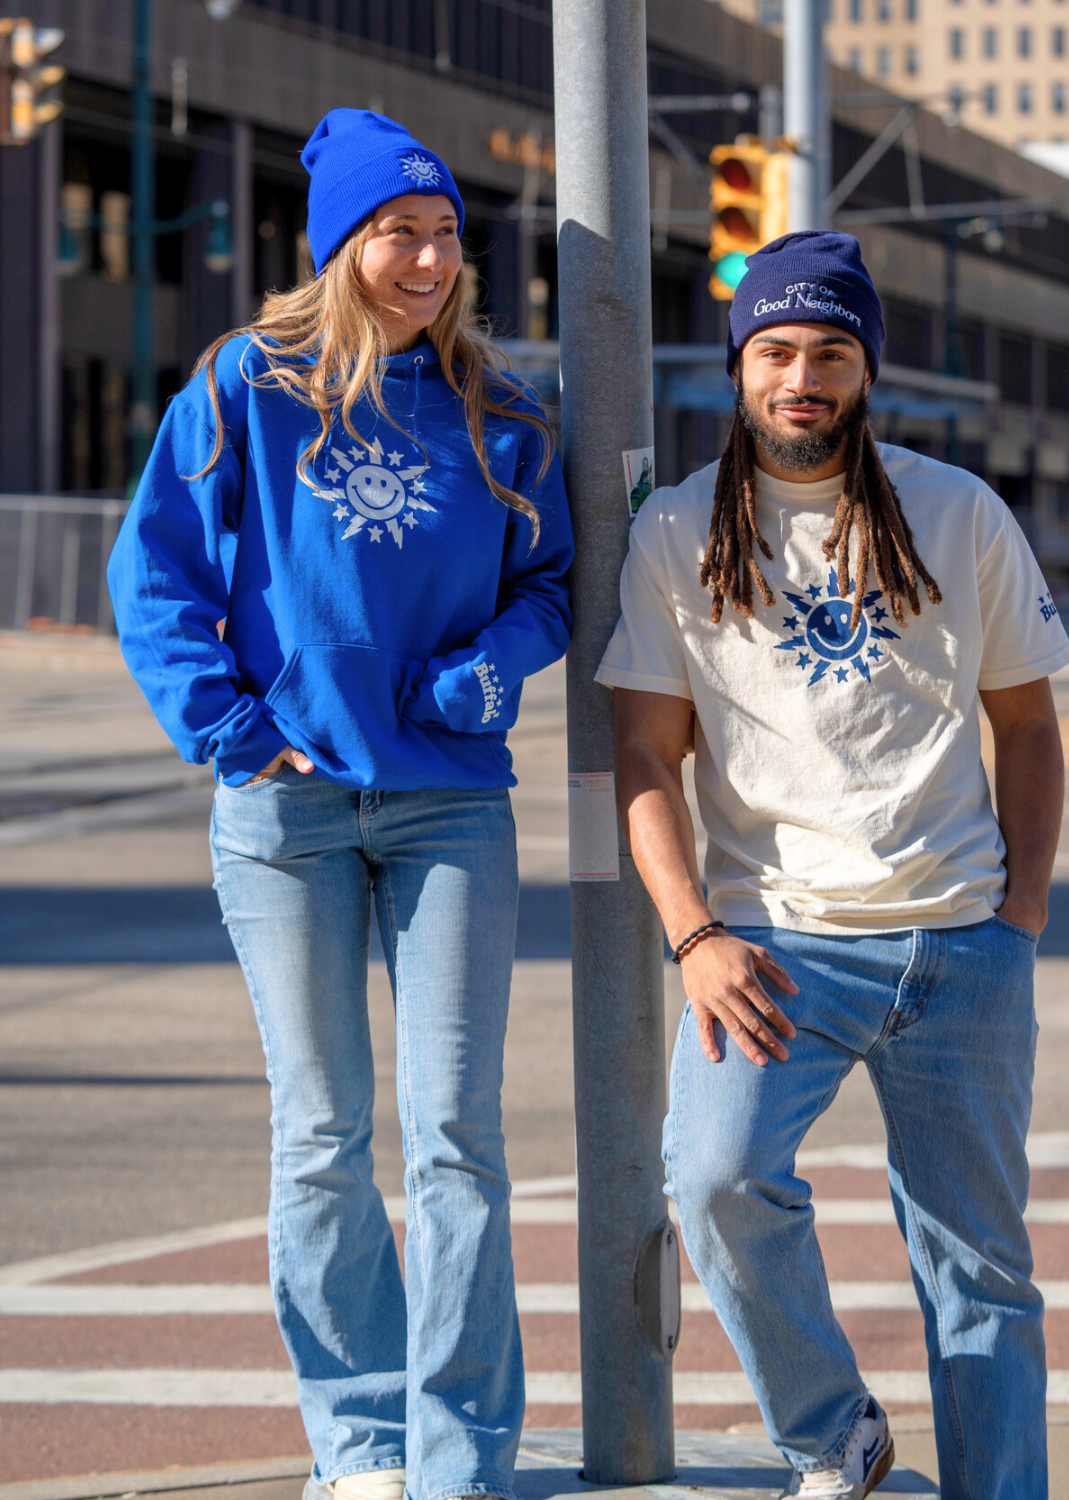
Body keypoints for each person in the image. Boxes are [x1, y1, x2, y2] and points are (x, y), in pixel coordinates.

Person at [108, 110, 573, 1500]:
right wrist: (236, 735)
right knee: (321, 1140)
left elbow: (550, 587)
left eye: (443, 235)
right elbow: (156, 578)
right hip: (287, 815)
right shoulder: (246, 386)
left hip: (449, 815)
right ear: (340, 247)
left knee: (456, 1140)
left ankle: (457, 1457)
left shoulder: (505, 412)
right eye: (398, 232)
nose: (427, 258)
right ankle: (362, 1441)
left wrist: (489, 669)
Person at [597, 232, 1069, 1500]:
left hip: (958, 944)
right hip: (772, 945)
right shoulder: (679, 533)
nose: (800, 376)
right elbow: (644, 754)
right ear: (739, 366)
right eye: (776, 351)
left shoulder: (959, 512)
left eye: (829, 352)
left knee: (979, 1268)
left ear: (865, 371)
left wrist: (1018, 914)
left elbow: (1026, 724)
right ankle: (831, 1430)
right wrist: (695, 933)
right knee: (712, 1178)